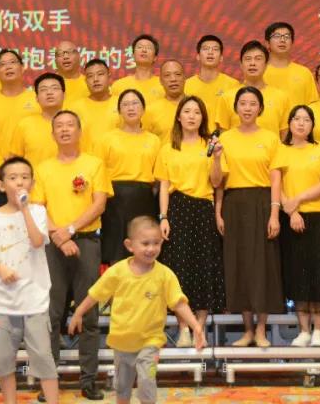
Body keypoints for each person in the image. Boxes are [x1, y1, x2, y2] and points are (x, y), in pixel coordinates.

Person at [69, 217, 206, 404]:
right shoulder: (117, 272)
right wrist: (78, 312)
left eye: (156, 243)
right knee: (122, 388)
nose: (151, 248)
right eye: (145, 243)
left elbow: (179, 303)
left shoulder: (165, 275)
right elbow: (95, 294)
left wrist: (196, 326)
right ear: (130, 245)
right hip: (121, 342)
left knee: (147, 378)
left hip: (151, 342)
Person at [31, 110, 111, 400]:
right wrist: (59, 236)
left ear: (79, 131)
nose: (64, 130)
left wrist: (70, 230)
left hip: (86, 242)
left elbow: (99, 204)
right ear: (52, 134)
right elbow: (37, 208)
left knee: (89, 314)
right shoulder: (42, 168)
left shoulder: (94, 163)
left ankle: (88, 380)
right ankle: (49, 382)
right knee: (51, 314)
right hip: (52, 246)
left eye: (70, 126)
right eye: (59, 126)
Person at [0, 157, 59, 404]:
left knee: (43, 358)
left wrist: (25, 209)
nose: (19, 182)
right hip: (1, 302)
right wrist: (0, 269)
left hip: (34, 300)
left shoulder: (39, 212)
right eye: (13, 177)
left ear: (32, 183)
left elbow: (37, 241)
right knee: (3, 361)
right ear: (1, 185)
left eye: (24, 177)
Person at [210, 86, 284, 347]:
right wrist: (218, 212)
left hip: (262, 202)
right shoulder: (225, 138)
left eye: (253, 103)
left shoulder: (271, 138)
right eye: (243, 103)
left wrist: (274, 214)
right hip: (233, 204)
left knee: (263, 266)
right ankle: (247, 330)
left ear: (260, 108)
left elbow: (276, 180)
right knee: (238, 265)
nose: (248, 108)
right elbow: (217, 182)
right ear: (236, 108)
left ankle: (262, 330)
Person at [155, 95, 226, 347]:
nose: (192, 116)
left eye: (197, 112)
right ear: (178, 116)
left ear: (202, 117)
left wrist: (216, 158)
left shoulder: (211, 145)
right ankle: (184, 328)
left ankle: (200, 329)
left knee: (204, 268)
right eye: (187, 111)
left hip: (203, 209)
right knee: (179, 270)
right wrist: (163, 217)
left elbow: (217, 182)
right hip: (178, 209)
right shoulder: (168, 148)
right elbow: (164, 186)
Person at [276, 105, 320, 347]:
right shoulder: (281, 151)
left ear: (312, 125)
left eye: (306, 120)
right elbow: (276, 186)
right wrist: (291, 211)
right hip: (291, 217)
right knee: (297, 272)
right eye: (296, 119)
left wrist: (298, 200)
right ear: (289, 123)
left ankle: (319, 331)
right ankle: (303, 330)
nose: (301, 123)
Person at [94, 89, 161, 263]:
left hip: (144, 199)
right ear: (119, 111)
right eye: (125, 104)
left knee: (143, 247)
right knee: (116, 250)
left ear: (143, 109)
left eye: (135, 103)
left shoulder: (154, 140)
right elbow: (97, 173)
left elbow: (159, 176)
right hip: (114, 200)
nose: (130, 108)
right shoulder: (107, 139)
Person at [216, 41, 290, 136]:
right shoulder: (227, 97)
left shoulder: (281, 97)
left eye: (258, 59)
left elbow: (285, 138)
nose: (252, 63)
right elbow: (223, 138)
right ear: (241, 65)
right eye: (248, 59)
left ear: (266, 64)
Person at [0, 49, 41, 161]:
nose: (8, 67)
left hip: (31, 165)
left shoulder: (37, 99)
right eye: (2, 64)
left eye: (13, 62)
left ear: (22, 68)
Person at [9, 72, 66, 166]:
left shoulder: (76, 124)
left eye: (54, 88)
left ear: (64, 95)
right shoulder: (24, 125)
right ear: (36, 98)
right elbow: (14, 161)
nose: (49, 93)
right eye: (43, 89)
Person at [69, 58, 120, 152]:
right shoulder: (75, 108)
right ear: (86, 81)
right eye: (90, 76)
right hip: (86, 159)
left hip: (115, 159)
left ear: (109, 77)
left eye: (100, 74)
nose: (95, 79)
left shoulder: (121, 104)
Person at [263, 22, 317, 108]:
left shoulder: (304, 73)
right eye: (277, 36)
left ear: (292, 42)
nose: (282, 40)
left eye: (287, 36)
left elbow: (312, 107)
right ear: (267, 43)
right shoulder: (260, 72)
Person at [183, 34, 239, 117]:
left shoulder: (233, 85)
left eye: (215, 49)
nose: (210, 52)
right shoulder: (186, 86)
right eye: (205, 49)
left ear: (221, 57)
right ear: (198, 56)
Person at [113, 34, 165, 102]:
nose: (144, 50)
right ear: (133, 55)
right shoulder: (119, 85)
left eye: (148, 48)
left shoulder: (163, 85)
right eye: (140, 47)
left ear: (155, 57)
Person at [143, 59, 186, 138]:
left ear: (184, 78)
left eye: (177, 74)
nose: (173, 79)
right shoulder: (150, 111)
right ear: (161, 81)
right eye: (167, 75)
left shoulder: (199, 108)